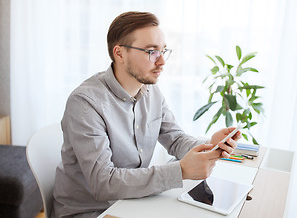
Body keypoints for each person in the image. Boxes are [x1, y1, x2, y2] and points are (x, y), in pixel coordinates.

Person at [51, 11, 240, 218]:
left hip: (132, 202)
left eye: (163, 51)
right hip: (92, 212)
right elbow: (103, 183)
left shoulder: (151, 91)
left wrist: (209, 146)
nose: (162, 62)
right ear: (119, 53)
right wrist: (181, 171)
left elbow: (175, 139)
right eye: (151, 51)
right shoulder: (85, 103)